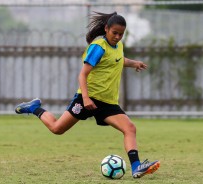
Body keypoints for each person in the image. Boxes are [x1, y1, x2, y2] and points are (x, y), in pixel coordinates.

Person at [15, 11, 160, 178]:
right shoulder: (98, 47)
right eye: (115, 33)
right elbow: (82, 74)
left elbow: (118, 59)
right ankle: (34, 108)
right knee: (57, 128)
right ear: (106, 29)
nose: (118, 37)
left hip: (107, 103)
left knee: (130, 128)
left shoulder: (118, 46)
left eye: (121, 34)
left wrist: (134, 63)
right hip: (87, 98)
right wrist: (85, 98)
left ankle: (136, 167)